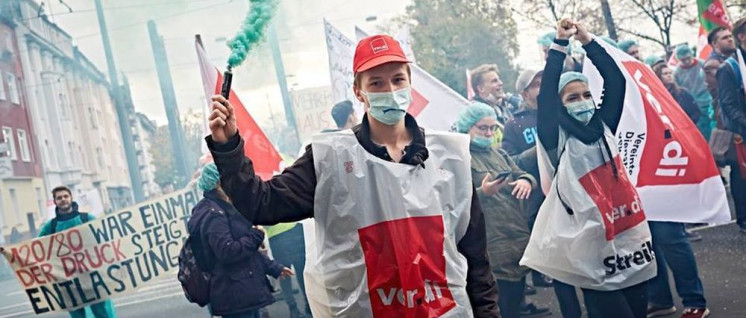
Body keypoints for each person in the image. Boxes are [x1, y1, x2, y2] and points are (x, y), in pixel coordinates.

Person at [206, 34, 499, 317]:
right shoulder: (329, 160)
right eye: (376, 82)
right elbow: (262, 203)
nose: (390, 91)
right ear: (359, 92)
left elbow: (474, 252)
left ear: (410, 82)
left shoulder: (449, 154)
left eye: (398, 79)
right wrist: (229, 146)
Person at [535, 19, 649, 318]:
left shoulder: (604, 124)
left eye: (586, 95)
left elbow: (616, 80)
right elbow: (546, 94)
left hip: (627, 238)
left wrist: (588, 42)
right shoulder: (554, 136)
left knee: (638, 310)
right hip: (590, 245)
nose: (583, 102)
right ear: (561, 106)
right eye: (573, 98)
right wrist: (560, 45)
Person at [455, 102, 549, 318]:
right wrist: (482, 192)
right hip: (489, 241)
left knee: (515, 298)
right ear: (467, 126)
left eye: (492, 128)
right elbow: (454, 200)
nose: (488, 133)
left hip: (515, 236)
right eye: (482, 128)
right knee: (496, 303)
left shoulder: (499, 154)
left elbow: (522, 173)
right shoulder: (459, 156)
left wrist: (526, 181)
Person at [503, 69, 584, 318]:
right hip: (542, 201)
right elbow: (510, 161)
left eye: (543, 82)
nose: (541, 88)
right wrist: (538, 150)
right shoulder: (514, 124)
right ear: (524, 92)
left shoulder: (562, 112)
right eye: (535, 84)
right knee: (560, 262)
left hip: (575, 193)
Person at [192, 163, 293, 318]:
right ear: (218, 183)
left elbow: (248, 253)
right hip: (235, 295)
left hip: (241, 291)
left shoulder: (223, 207)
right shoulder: (215, 214)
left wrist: (273, 268)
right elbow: (227, 251)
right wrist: (255, 235)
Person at [38, 186, 117, 318]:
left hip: (92, 275)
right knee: (77, 315)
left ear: (71, 198)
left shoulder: (87, 218)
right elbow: (35, 246)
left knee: (102, 312)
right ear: (55, 201)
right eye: (59, 198)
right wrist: (11, 251)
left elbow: (104, 239)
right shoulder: (51, 226)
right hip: (68, 279)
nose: (63, 200)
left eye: (65, 196)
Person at [717, 16, 746, 234]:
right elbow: (728, 105)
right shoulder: (729, 68)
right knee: (742, 176)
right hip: (742, 133)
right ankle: (744, 217)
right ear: (743, 37)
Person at [266, 223, 310, 317]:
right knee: (302, 271)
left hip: (276, 235)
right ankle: (309, 305)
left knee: (284, 273)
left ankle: (293, 308)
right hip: (294, 227)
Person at [674, 45, 716, 141]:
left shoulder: (702, 64)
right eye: (683, 60)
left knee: (713, 127)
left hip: (708, 100)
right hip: (694, 105)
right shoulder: (677, 72)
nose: (687, 62)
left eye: (688, 58)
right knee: (702, 132)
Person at [705, 27, 737, 128]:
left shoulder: (737, 57)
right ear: (715, 44)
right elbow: (730, 88)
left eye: (730, 36)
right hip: (728, 118)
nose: (730, 39)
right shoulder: (712, 65)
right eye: (725, 38)